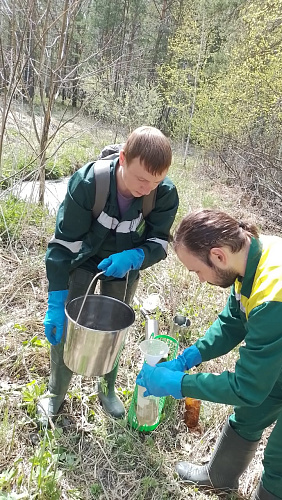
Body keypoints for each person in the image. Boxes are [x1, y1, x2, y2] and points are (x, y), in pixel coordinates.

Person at [136, 209, 282, 500]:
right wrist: (190, 357)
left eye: (197, 270)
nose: (198, 279)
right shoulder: (250, 256)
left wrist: (179, 384)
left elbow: (247, 387)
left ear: (218, 255)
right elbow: (232, 322)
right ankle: (219, 479)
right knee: (247, 416)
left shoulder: (280, 289)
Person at [38, 126, 179, 426]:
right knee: (68, 326)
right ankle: (55, 392)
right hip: (84, 259)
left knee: (115, 330)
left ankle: (107, 390)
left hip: (124, 266)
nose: (147, 188)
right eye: (141, 179)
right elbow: (63, 245)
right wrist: (55, 300)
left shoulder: (162, 194)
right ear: (124, 158)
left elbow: (159, 242)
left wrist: (135, 257)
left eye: (156, 181)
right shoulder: (90, 183)